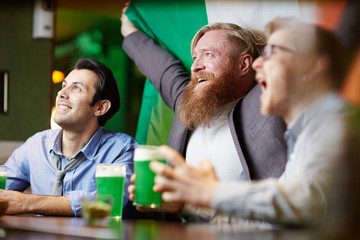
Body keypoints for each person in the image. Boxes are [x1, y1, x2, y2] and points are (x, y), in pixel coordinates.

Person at [149, 17, 352, 226]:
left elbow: (312, 201)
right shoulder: (298, 137)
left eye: (272, 52)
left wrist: (213, 193)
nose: (258, 63)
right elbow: (273, 225)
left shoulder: (337, 122)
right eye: (194, 57)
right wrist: (191, 204)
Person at [121, 5, 287, 185]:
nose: (195, 67)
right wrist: (129, 26)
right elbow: (160, 67)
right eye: (194, 58)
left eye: (208, 55)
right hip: (180, 213)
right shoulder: (187, 103)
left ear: (243, 64)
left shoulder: (269, 100)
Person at [1, 58, 138, 217]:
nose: (61, 94)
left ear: (100, 107)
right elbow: (4, 185)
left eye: (76, 88)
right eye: (64, 86)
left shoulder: (123, 149)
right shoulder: (37, 144)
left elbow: (108, 202)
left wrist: (27, 202)